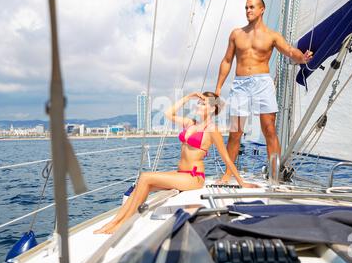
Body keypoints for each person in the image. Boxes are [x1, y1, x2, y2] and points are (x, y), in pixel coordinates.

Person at [94, 91, 258, 234]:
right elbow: (168, 114)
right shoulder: (190, 123)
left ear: (211, 108)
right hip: (180, 173)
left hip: (194, 177)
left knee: (145, 177)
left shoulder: (212, 129)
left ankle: (121, 224)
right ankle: (114, 221)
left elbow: (227, 158)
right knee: (142, 184)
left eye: (203, 104)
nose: (198, 105)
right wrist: (188, 97)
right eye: (199, 102)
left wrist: (241, 182)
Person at [214, 0, 313, 183]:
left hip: (262, 83)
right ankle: (228, 175)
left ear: (262, 10)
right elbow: (227, 61)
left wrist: (302, 58)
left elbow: (290, 51)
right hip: (240, 84)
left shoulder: (272, 36)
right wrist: (218, 89)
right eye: (246, 7)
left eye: (251, 7)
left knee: (269, 129)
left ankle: (275, 176)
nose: (248, 11)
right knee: (235, 132)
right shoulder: (236, 34)